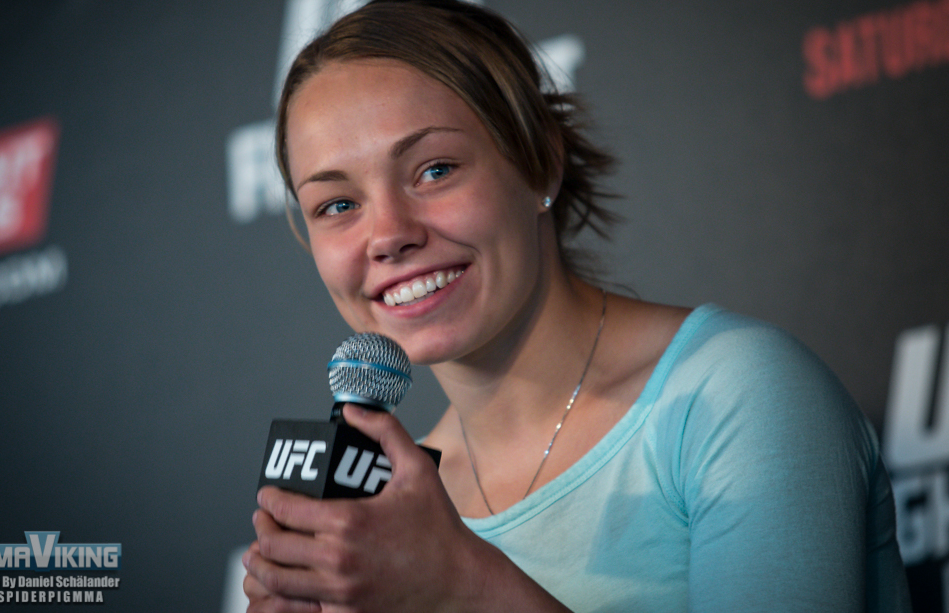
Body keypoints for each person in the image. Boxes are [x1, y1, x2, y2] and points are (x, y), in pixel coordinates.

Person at [241, 1, 911, 610]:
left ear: (541, 162)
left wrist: (465, 586)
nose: (388, 234)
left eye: (435, 169)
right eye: (337, 205)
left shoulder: (737, 393)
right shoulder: (391, 508)